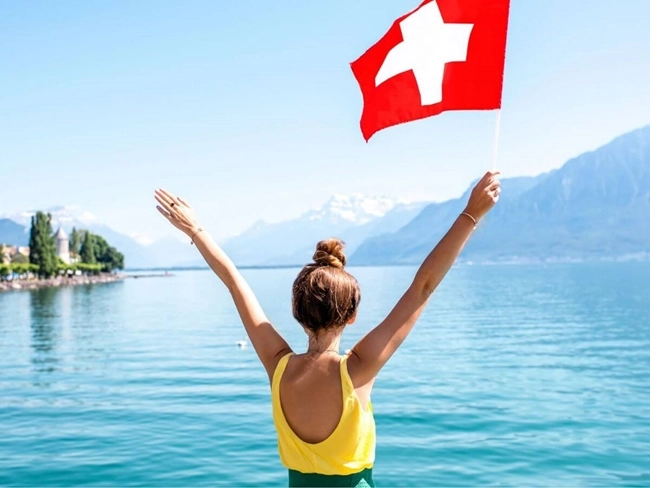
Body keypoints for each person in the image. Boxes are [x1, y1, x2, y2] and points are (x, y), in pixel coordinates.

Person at [154, 170, 501, 487]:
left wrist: (196, 230)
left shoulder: (279, 367)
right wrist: (471, 214)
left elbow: (235, 283)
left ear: (297, 312)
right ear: (351, 315)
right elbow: (423, 286)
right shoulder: (358, 370)